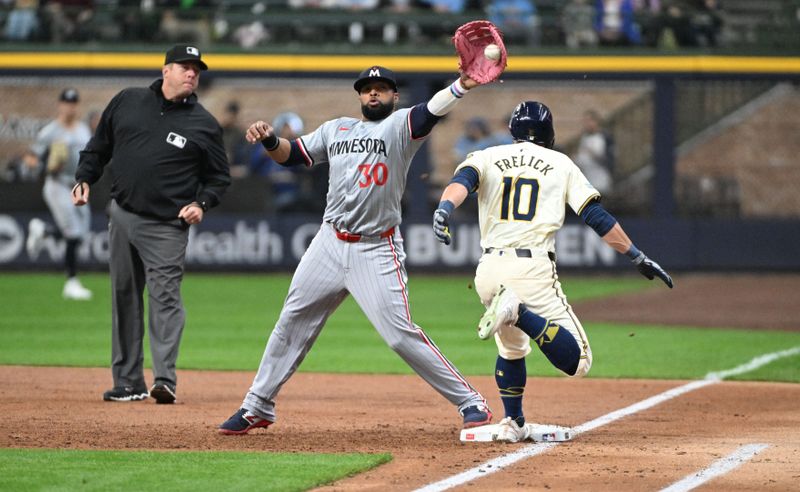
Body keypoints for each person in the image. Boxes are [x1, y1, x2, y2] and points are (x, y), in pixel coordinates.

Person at [218, 65, 496, 435]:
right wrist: (270, 140)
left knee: (399, 334)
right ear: (360, 95)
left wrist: (461, 85)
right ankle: (257, 405)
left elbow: (431, 109)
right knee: (291, 322)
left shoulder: (399, 127)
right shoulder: (337, 129)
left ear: (394, 96)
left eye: (382, 88)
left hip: (376, 248)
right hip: (330, 242)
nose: (374, 93)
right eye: (368, 89)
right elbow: (294, 156)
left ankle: (470, 401)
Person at [432, 101, 672, 442]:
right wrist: (637, 256)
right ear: (549, 133)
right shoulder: (561, 163)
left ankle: (513, 422)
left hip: (489, 270)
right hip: (532, 269)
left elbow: (462, 181)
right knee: (579, 361)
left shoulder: (487, 155)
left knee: (511, 350)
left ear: (514, 130)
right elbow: (596, 217)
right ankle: (518, 311)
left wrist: (444, 207)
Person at [72, 45, 231, 404]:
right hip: (123, 215)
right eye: (185, 66)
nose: (192, 73)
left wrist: (201, 203)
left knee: (165, 299)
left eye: (197, 69)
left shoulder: (203, 124)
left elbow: (219, 178)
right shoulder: (128, 101)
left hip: (166, 226)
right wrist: (84, 178)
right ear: (165, 70)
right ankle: (128, 382)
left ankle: (164, 379)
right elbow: (97, 148)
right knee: (124, 298)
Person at [25, 88, 93, 300]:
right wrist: (47, 166)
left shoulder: (83, 130)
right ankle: (71, 282)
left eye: (74, 103)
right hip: (57, 185)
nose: (70, 107)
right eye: (66, 102)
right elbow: (30, 158)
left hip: (77, 185)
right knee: (72, 233)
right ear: (60, 105)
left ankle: (44, 231)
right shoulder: (50, 132)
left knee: (81, 232)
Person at [573, 109, 613, 195]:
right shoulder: (584, 137)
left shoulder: (604, 137)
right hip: (587, 181)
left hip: (601, 181)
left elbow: (608, 159)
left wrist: (593, 154)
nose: (587, 124)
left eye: (589, 121)